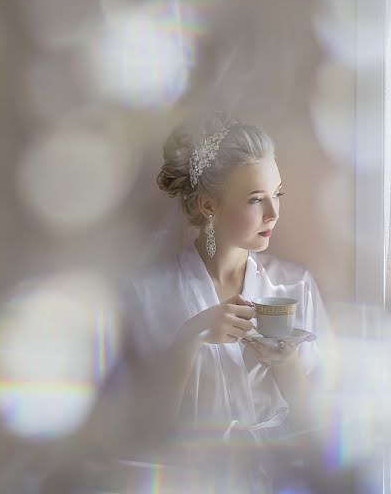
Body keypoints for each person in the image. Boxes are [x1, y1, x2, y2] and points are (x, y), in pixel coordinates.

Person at [121, 114, 329, 484]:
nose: (273, 213)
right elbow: (146, 433)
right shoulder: (151, 295)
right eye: (255, 200)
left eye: (277, 195)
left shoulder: (295, 288)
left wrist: (287, 365)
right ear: (208, 206)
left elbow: (321, 430)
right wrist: (190, 338)